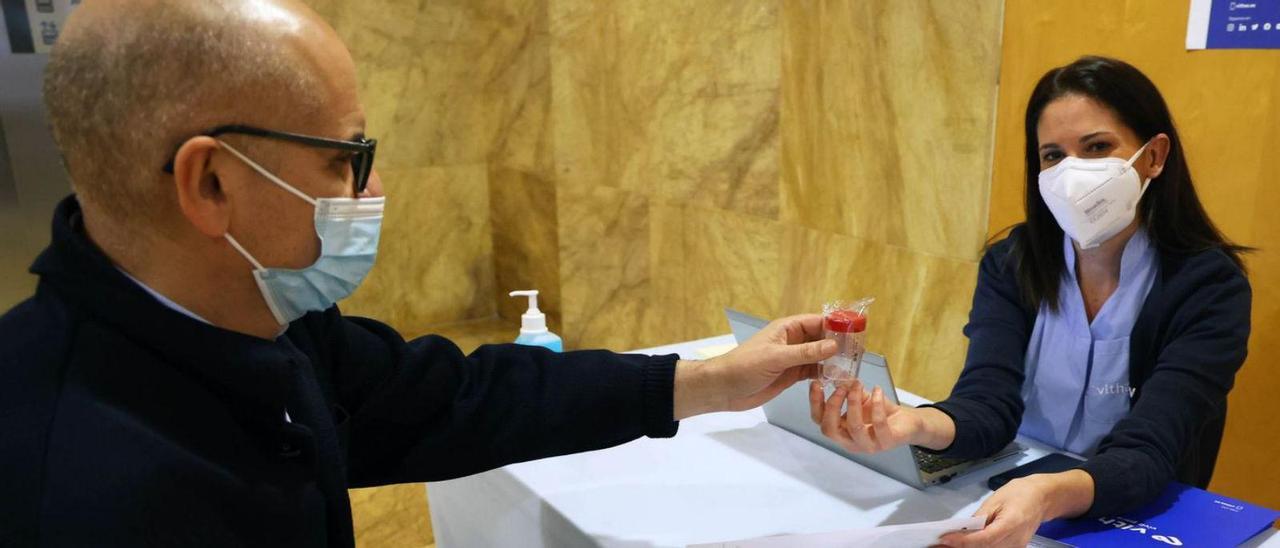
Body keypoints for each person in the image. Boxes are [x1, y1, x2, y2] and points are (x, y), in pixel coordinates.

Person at [0, 1, 837, 546]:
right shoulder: (87, 493)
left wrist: (712, 382)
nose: (378, 191)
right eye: (348, 159)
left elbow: (453, 399)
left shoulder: (248, 323)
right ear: (212, 183)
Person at [811, 55, 1252, 547]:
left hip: (1126, 507)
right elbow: (988, 404)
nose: (1073, 173)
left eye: (1098, 147)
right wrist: (911, 425)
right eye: (1052, 156)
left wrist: (1046, 494)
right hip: (1016, 491)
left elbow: (1149, 452)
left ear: (1153, 156)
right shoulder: (1012, 263)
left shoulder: (1209, 287)